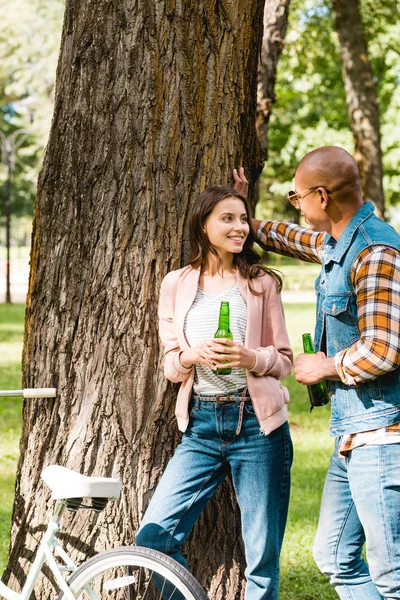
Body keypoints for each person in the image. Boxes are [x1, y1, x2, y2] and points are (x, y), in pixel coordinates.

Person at [239, 146, 400, 600]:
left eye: (296, 196)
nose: (297, 204)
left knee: (393, 579)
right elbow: (295, 239)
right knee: (334, 556)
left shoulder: (375, 253)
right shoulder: (339, 241)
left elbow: (386, 350)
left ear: (322, 196)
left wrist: (325, 365)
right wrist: (242, 221)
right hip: (353, 433)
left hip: (383, 437)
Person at [136, 185, 293, 599]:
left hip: (258, 428)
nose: (240, 227)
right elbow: (171, 366)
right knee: (153, 540)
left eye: (243, 219)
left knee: (261, 559)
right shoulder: (176, 284)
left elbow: (284, 361)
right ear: (203, 226)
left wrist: (249, 358)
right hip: (201, 427)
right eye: (228, 218)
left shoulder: (260, 284)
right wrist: (190, 355)